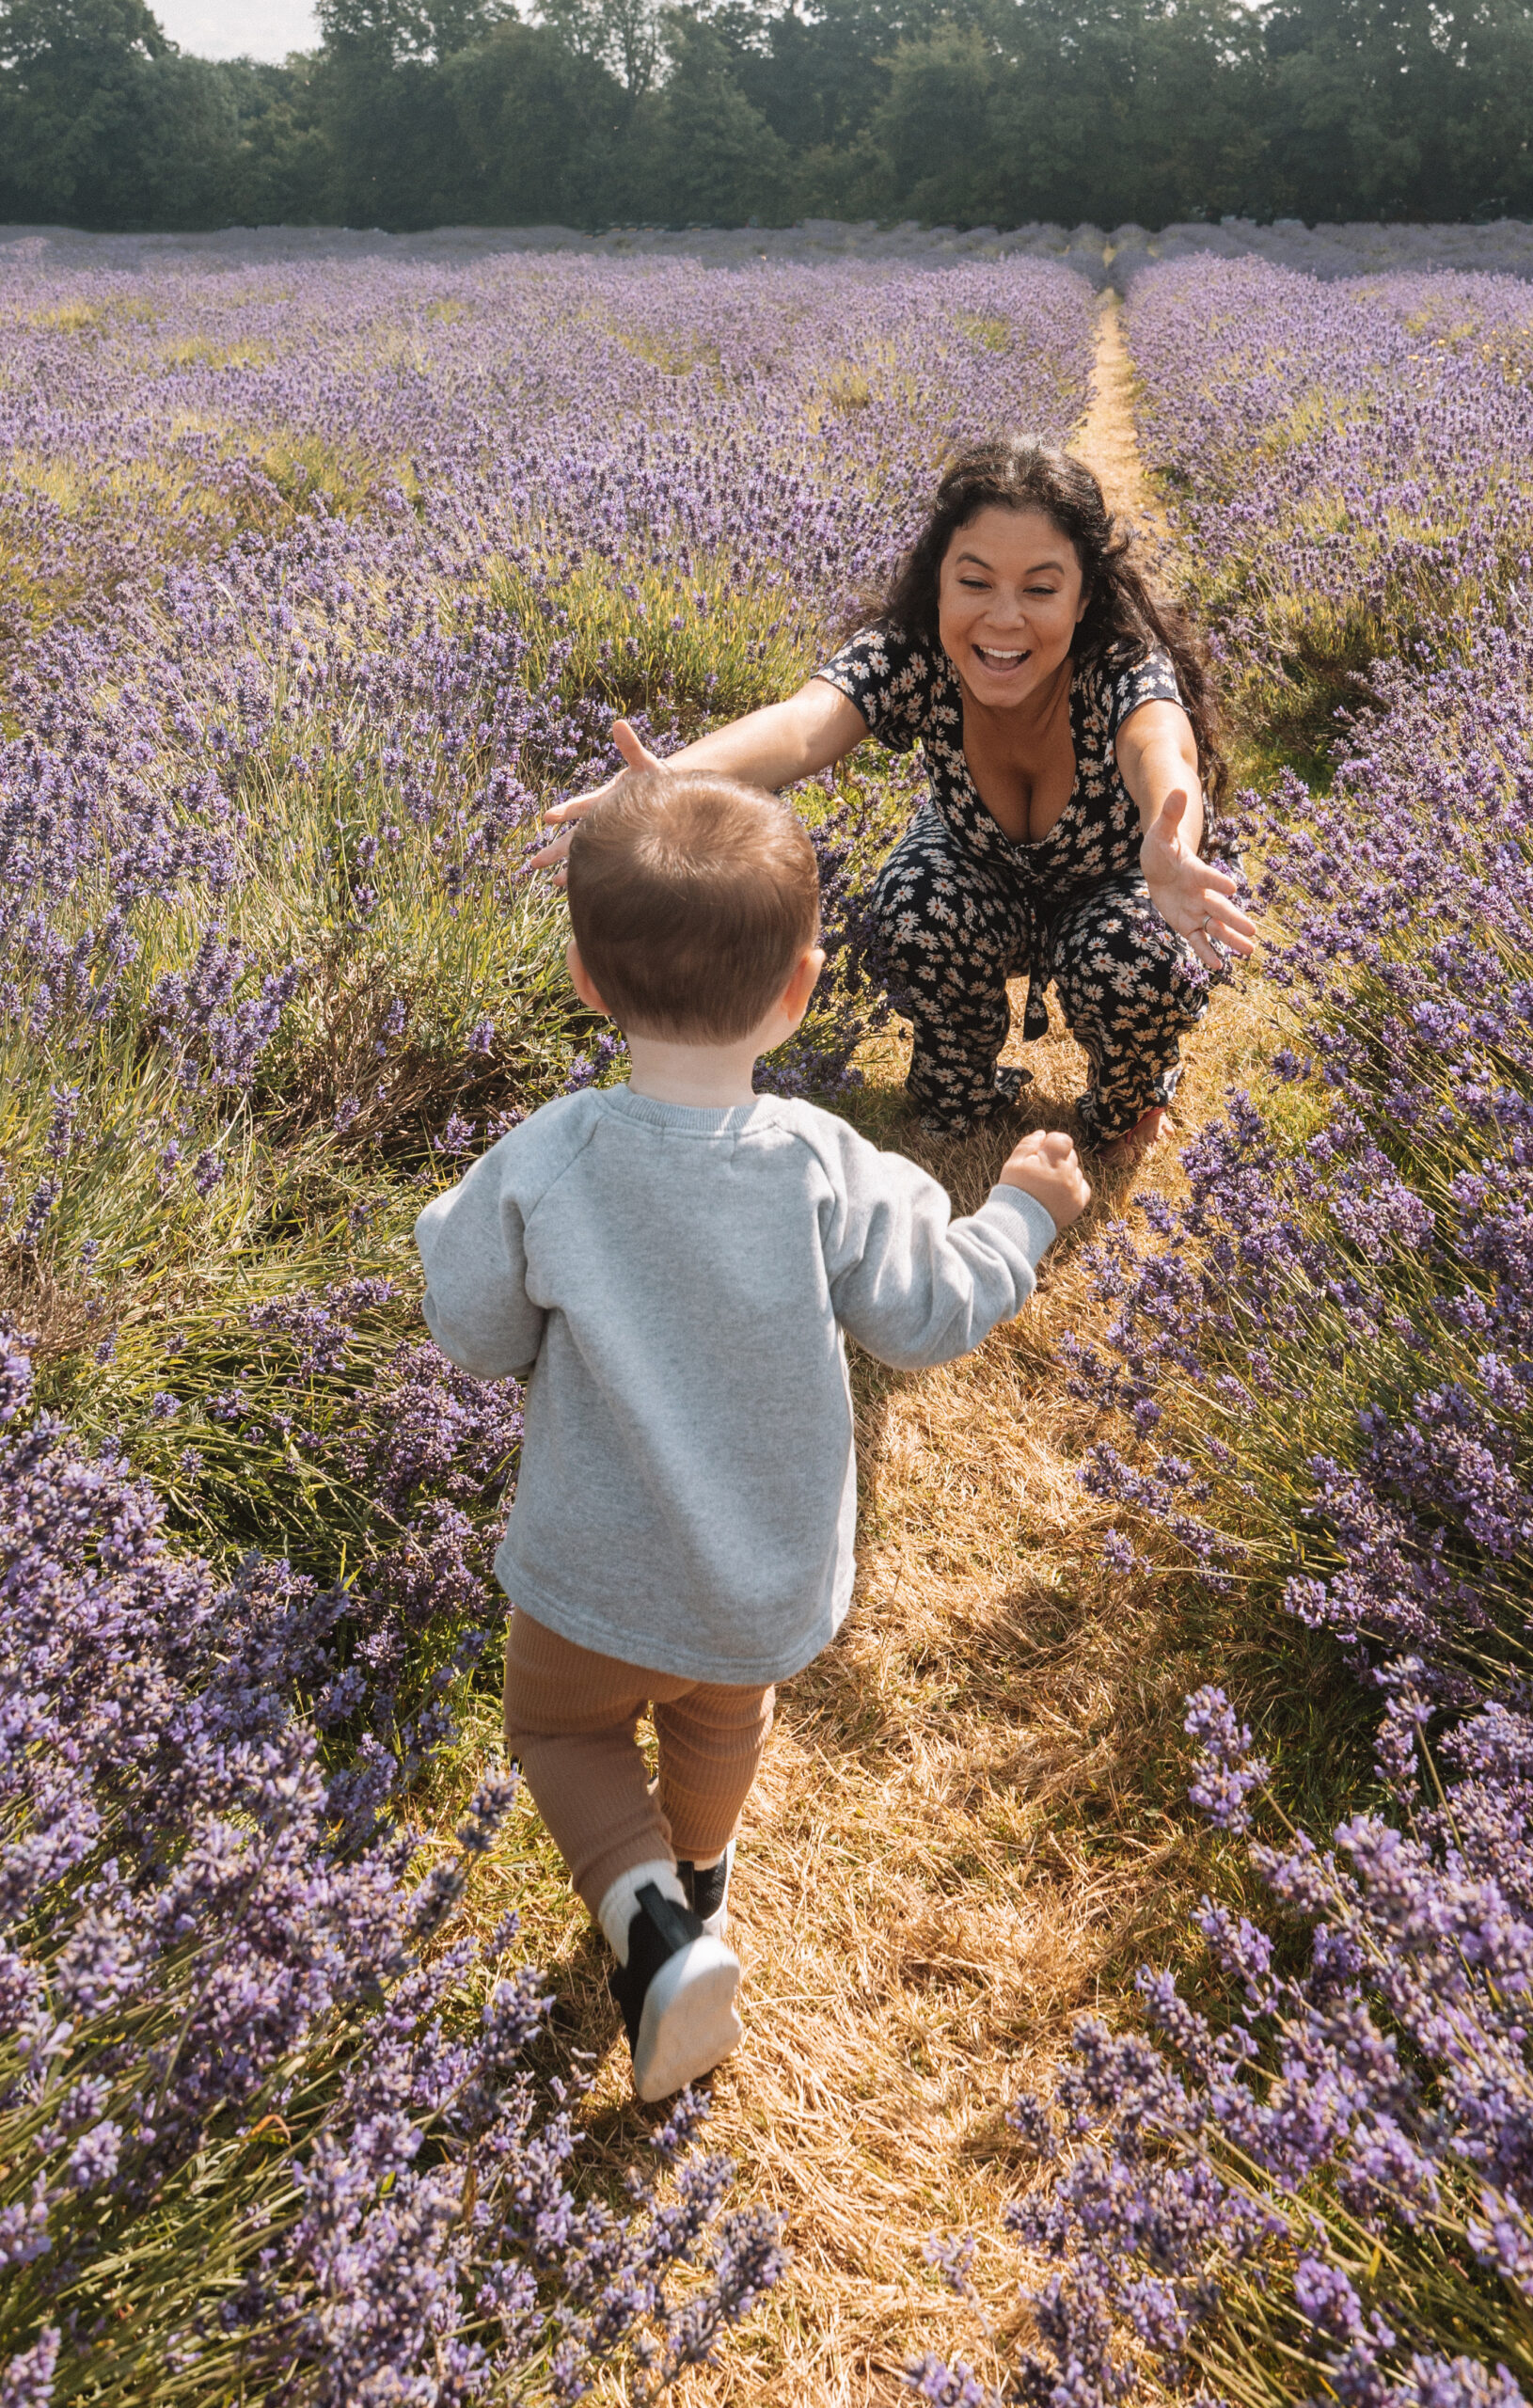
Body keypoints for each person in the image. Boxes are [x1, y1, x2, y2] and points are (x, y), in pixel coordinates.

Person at [416, 768, 1091, 2100]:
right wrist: (1020, 1214)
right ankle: (701, 1894)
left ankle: (654, 1929)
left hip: (588, 1575)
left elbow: (477, 1328)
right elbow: (927, 1313)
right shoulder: (824, 1165)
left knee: (564, 1740)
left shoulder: (550, 1156)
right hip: (760, 1583)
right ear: (800, 987)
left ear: (585, 981)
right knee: (724, 1716)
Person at [533, 436, 1256, 1168]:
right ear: (939, 581)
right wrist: (672, 778)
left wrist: (1173, 845)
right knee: (914, 906)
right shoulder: (912, 654)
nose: (1004, 620)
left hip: (1115, 882)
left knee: (1137, 955)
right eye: (975, 582)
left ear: (1084, 596)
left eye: (1040, 589)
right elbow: (804, 724)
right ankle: (960, 1086)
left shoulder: (1120, 666)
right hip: (973, 872)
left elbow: (1161, 748)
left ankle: (1131, 1097)